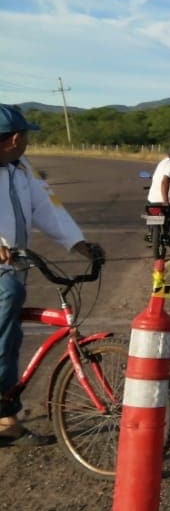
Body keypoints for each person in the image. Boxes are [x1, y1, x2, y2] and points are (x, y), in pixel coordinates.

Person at [0, 105, 104, 447]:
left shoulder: (20, 167)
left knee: (10, 338)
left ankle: (6, 418)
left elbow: (47, 206)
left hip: (14, 262)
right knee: (7, 313)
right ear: (16, 138)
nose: (28, 141)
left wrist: (78, 244)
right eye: (27, 135)